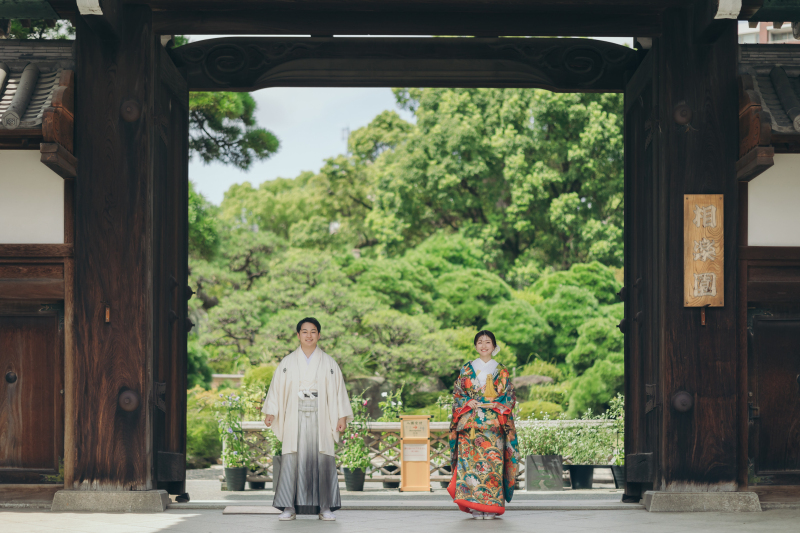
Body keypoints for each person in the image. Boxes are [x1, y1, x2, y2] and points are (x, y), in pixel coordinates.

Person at [262, 317, 354, 521]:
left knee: (323, 459)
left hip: (321, 414)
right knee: (291, 459)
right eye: (305, 331)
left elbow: (339, 392)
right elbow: (276, 389)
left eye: (313, 331)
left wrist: (341, 416)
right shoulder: (287, 363)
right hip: (294, 413)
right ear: (298, 335)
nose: (309, 335)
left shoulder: (329, 363)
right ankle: (289, 507)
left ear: (319, 335)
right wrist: (271, 411)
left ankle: (325, 507)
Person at [447, 330, 519, 519]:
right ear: (475, 346)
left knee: (493, 465)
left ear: (494, 346)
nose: (484, 345)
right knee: (469, 466)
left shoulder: (501, 370)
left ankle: (491, 506)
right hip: (470, 424)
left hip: (494, 425)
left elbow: (509, 397)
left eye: (488, 342)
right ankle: (474, 506)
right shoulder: (466, 369)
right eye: (480, 342)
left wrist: (497, 404)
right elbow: (457, 394)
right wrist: (466, 402)